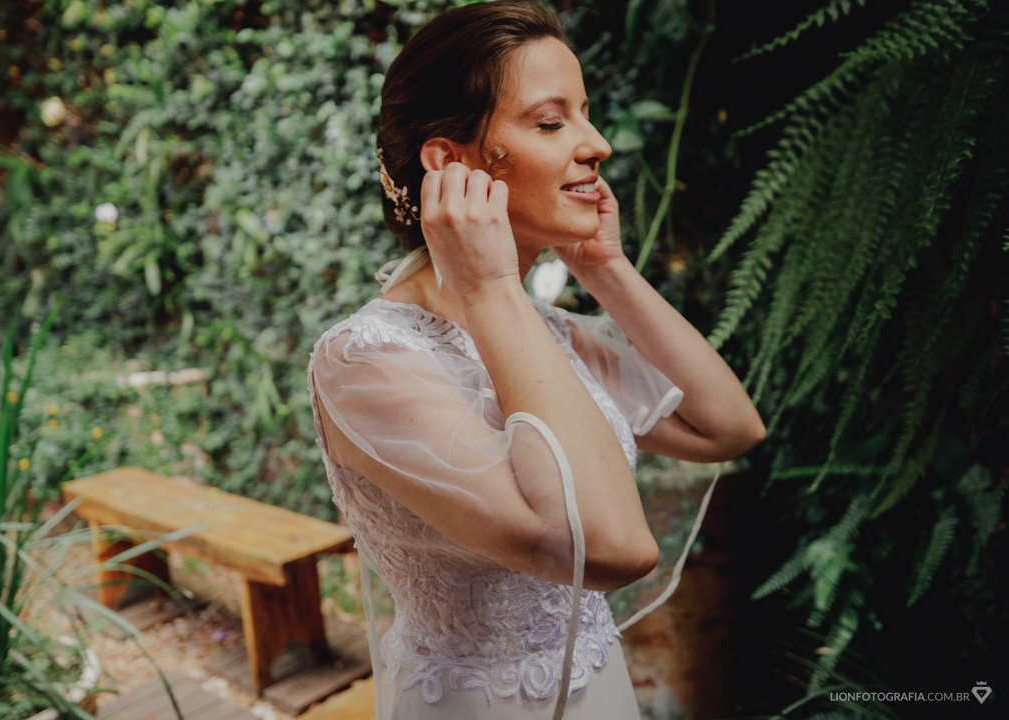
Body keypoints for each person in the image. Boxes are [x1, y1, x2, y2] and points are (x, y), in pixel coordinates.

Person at [307, 2, 765, 718]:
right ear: (449, 163)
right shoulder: (366, 362)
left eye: (585, 114)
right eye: (552, 122)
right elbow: (610, 549)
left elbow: (728, 428)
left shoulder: (543, 329)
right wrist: (488, 286)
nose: (598, 145)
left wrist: (606, 268)